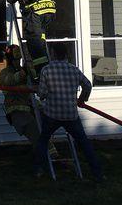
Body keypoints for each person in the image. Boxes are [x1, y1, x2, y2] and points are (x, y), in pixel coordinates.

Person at [34, 42, 103, 182]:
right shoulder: (74, 69)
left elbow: (41, 94)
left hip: (52, 114)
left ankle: (38, 170)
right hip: (71, 115)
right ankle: (97, 173)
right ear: (66, 54)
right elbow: (88, 85)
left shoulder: (46, 70)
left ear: (53, 54)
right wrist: (82, 100)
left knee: (42, 141)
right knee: (84, 143)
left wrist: (44, 92)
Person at [0, 44, 58, 157]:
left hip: (32, 108)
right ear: (9, 60)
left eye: (19, 59)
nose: (18, 61)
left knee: (47, 126)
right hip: (17, 111)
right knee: (36, 133)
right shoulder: (4, 73)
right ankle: (45, 161)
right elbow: (9, 81)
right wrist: (24, 72)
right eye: (15, 59)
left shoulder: (23, 70)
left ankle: (49, 157)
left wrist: (32, 69)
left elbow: (36, 80)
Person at [7, 0, 56, 78]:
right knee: (41, 39)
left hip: (34, 14)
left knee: (35, 45)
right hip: (49, 12)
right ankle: (48, 68)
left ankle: (41, 75)